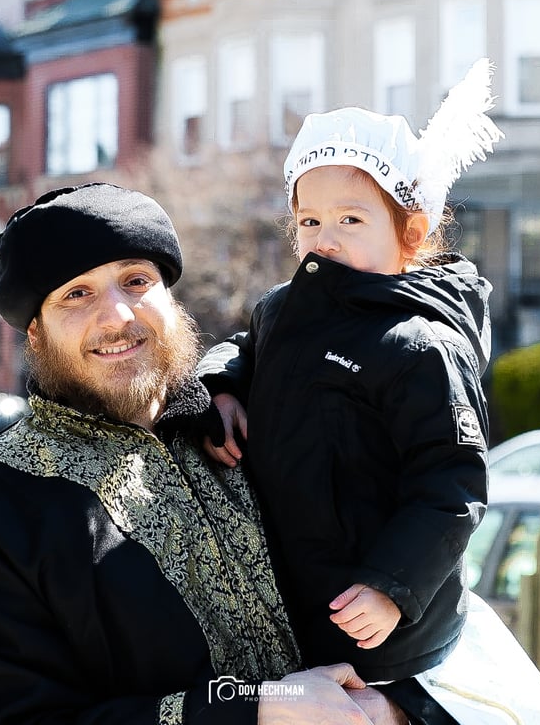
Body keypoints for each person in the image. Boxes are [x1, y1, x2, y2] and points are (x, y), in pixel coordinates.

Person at [0, 183, 429, 725]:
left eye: (136, 281)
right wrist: (260, 708)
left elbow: (428, 571)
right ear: (35, 333)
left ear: (171, 299)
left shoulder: (263, 428)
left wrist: (395, 707)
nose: (118, 317)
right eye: (75, 295)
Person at [197, 59, 504, 687]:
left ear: (411, 232)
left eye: (351, 219)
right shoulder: (284, 310)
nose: (325, 237)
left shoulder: (420, 347)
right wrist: (222, 386)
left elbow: (450, 484)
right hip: (291, 614)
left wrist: (394, 586)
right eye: (309, 220)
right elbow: (243, 347)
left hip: (386, 635)